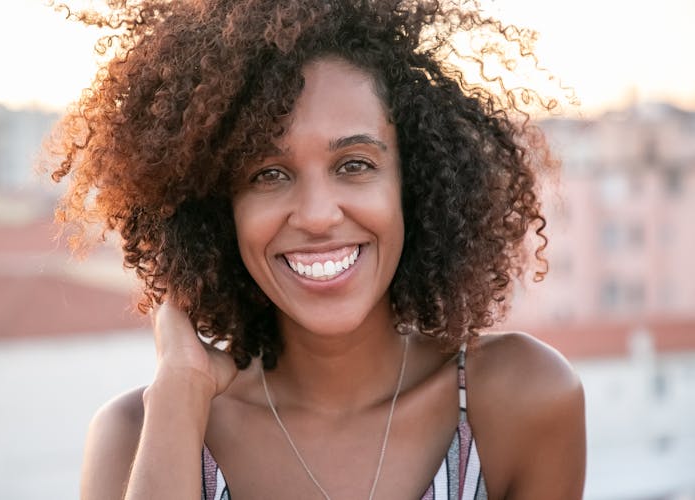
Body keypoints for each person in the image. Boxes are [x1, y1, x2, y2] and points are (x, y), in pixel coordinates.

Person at [47, 0, 586, 498]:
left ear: (412, 185)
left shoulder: (519, 399)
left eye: (354, 165)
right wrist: (180, 393)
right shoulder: (138, 438)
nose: (317, 214)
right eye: (268, 173)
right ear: (216, 210)